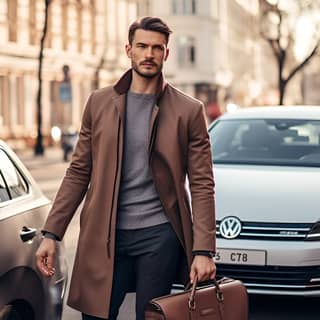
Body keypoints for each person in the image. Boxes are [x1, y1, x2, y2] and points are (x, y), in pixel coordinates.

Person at [36, 16, 216, 320]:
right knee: (95, 315)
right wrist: (53, 233)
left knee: (152, 315)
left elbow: (201, 184)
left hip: (159, 235)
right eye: (142, 46)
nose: (149, 54)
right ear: (128, 49)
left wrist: (203, 250)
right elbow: (79, 170)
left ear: (166, 54)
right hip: (104, 234)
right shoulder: (99, 103)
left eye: (157, 48)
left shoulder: (189, 110)